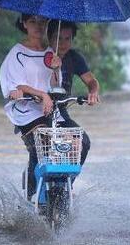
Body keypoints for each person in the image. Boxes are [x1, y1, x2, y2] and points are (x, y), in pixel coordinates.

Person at [0, 13, 62, 201]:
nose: (38, 26)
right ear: (24, 24)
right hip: (26, 111)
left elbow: (56, 86)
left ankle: (59, 190)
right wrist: (42, 95)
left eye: (42, 22)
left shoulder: (51, 52)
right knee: (41, 143)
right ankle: (32, 194)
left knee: (70, 144)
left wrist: (56, 68)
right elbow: (18, 85)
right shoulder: (17, 52)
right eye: (33, 21)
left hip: (49, 110)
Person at [47, 20, 100, 166]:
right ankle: (33, 184)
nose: (63, 43)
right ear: (49, 38)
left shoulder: (74, 58)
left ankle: (66, 184)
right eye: (58, 39)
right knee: (40, 147)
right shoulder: (40, 56)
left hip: (60, 110)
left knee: (83, 142)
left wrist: (93, 92)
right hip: (37, 109)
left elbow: (91, 81)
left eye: (67, 39)